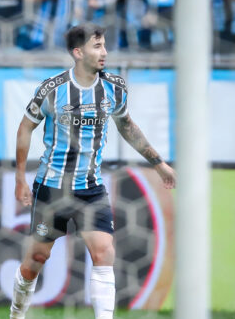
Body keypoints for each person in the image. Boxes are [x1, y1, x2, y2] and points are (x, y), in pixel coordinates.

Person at [9, 23, 175, 319]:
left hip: (91, 188)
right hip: (52, 188)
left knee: (103, 252)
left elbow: (128, 127)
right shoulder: (53, 89)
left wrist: (158, 163)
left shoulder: (114, 87)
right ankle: (17, 313)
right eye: (97, 46)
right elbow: (25, 128)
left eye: (104, 45)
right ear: (77, 52)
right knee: (36, 258)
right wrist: (20, 177)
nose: (104, 52)